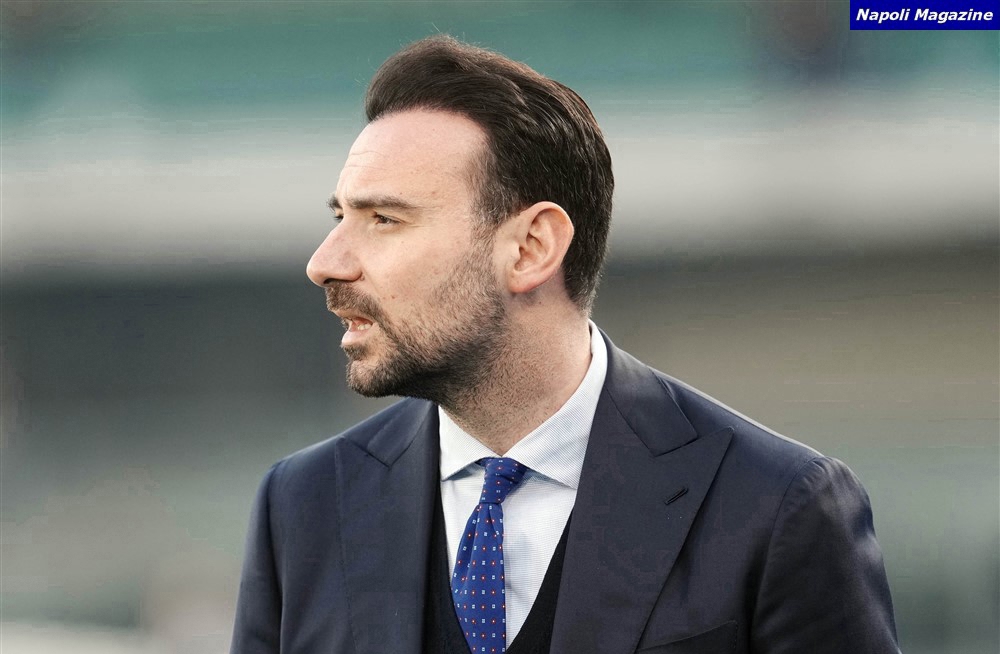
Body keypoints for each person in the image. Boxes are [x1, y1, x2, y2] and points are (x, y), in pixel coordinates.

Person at [230, 36, 899, 654]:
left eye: (383, 219)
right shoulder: (303, 504)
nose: (325, 263)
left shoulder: (776, 505)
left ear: (531, 247)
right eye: (340, 217)